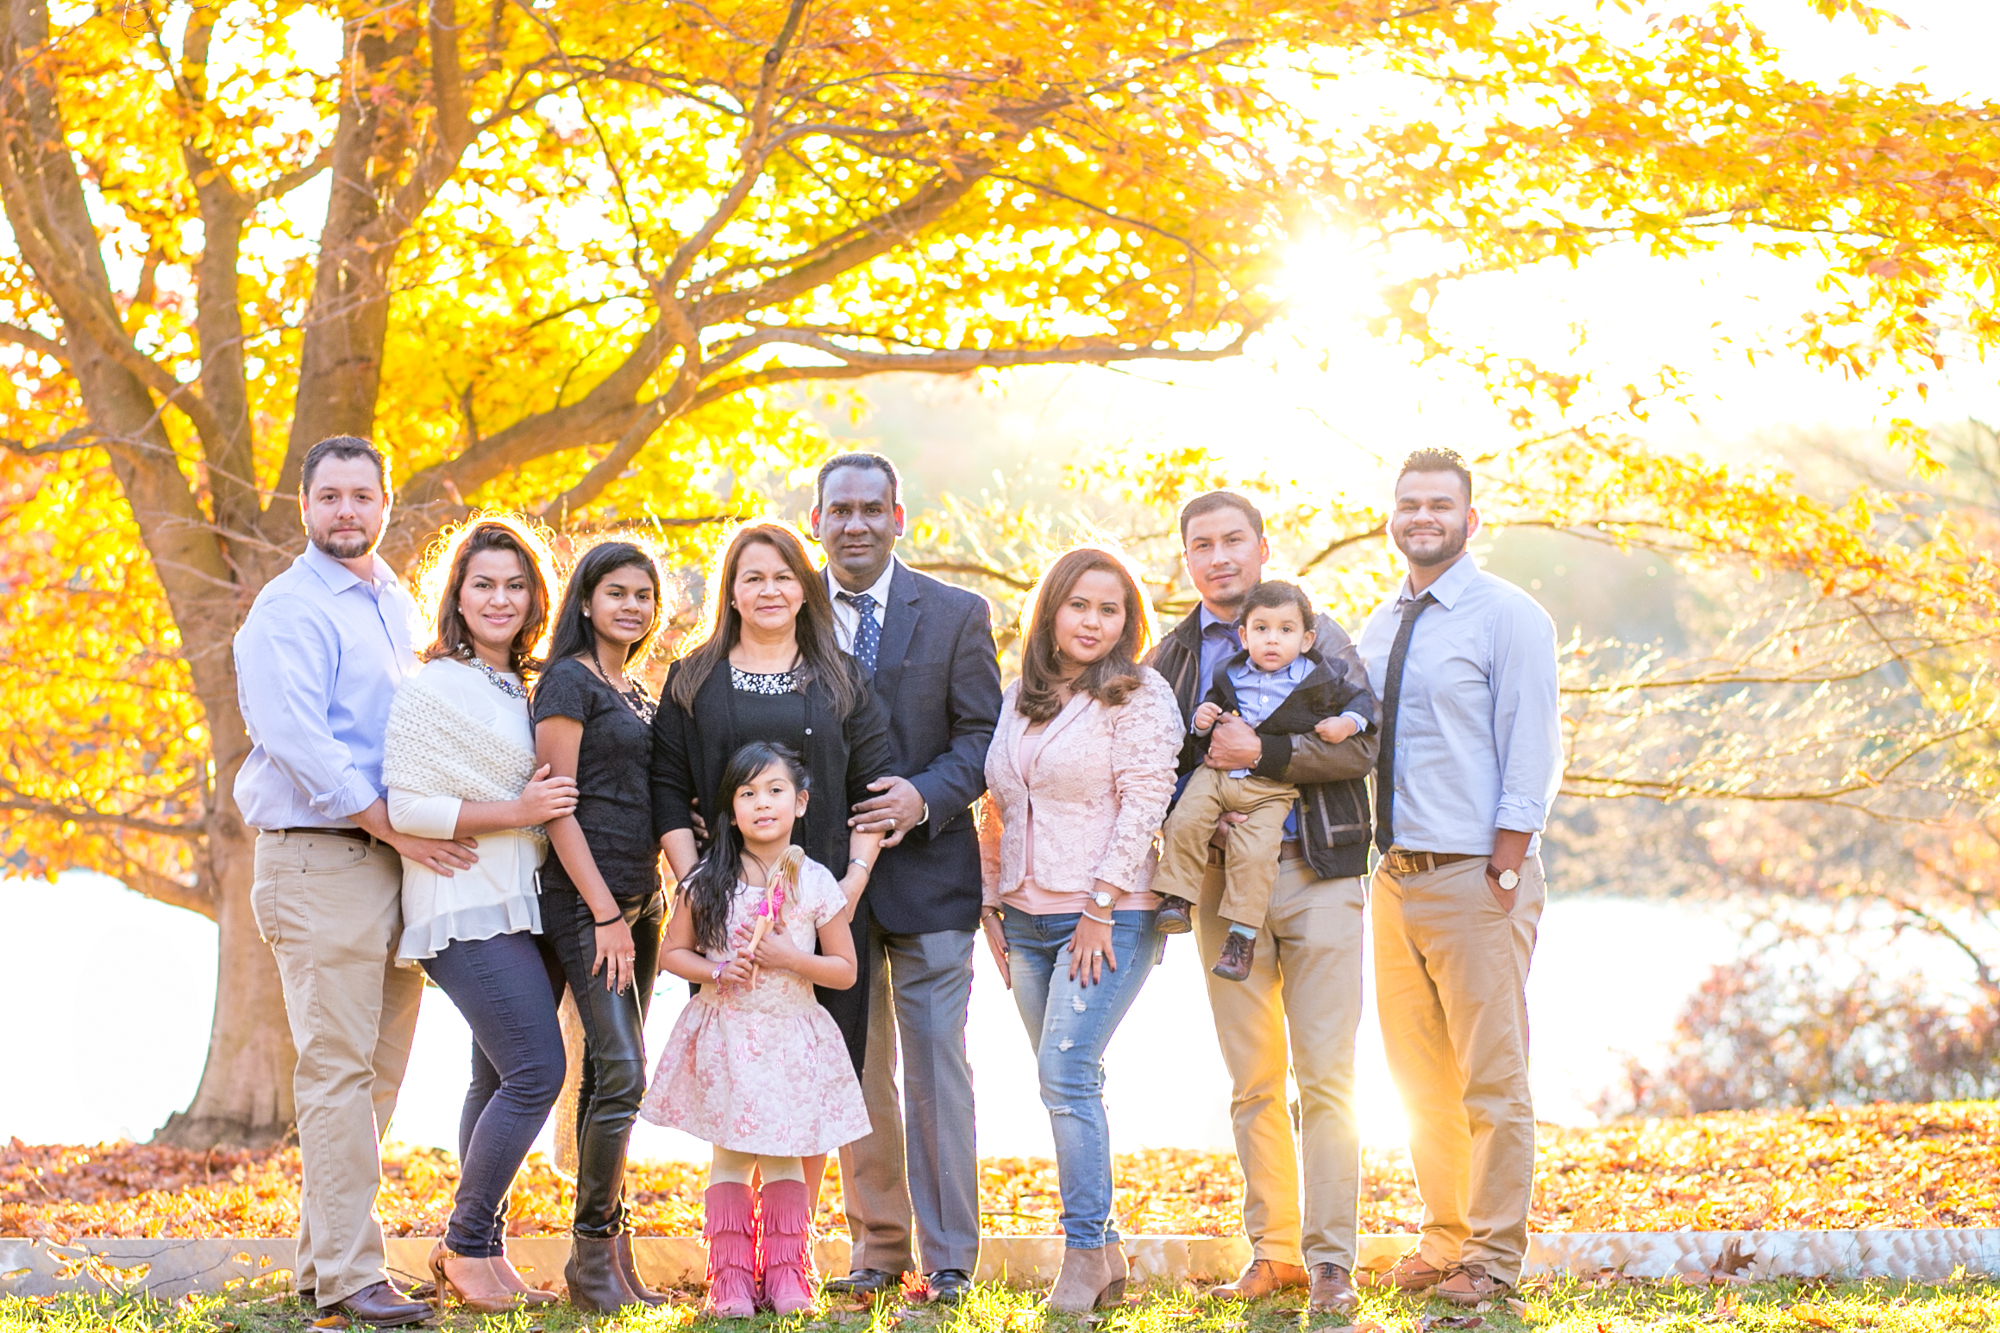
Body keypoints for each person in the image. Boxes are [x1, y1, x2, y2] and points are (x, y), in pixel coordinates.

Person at [234, 435, 474, 1328]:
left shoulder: (391, 600)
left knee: (375, 1075)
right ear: (305, 505)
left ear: (384, 504)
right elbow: (299, 739)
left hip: (388, 860)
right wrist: (385, 821)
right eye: (328, 495)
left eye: (360, 495)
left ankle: (322, 1264)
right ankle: (349, 1275)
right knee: (336, 1071)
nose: (345, 510)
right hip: (319, 854)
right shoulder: (287, 610)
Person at [1143, 491, 1379, 1317]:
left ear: (1262, 545)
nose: (1218, 556)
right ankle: (1271, 1251)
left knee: (1327, 1074)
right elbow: (1151, 767)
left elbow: (1367, 743)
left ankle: (1331, 1261)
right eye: (1200, 544)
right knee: (1252, 1080)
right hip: (1220, 886)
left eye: (1232, 540)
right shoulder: (1171, 653)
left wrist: (1267, 749)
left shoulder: (1315, 630)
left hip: (1317, 870)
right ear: (1187, 558)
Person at [1358, 449, 1562, 1307]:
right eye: (1409, 503)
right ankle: (1445, 1239)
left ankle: (1494, 1258)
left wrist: (1506, 865)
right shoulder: (1377, 623)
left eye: (1440, 503)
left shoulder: (1508, 616)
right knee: (1419, 1078)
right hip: (1393, 878)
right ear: (1392, 517)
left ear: (1471, 520)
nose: (1422, 516)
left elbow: (1534, 748)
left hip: (1478, 873)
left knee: (1491, 1076)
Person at [808, 453, 1002, 1306]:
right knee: (854, 1070)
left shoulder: (958, 614)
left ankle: (952, 1253)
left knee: (935, 1068)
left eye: (869, 508)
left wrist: (923, 795)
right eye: (838, 509)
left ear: (898, 517)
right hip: (827, 889)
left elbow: (982, 740)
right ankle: (877, 1246)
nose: (854, 523)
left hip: (930, 875)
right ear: (816, 519)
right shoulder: (788, 609)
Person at [977, 546, 1182, 1313]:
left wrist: (1099, 906)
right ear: (1050, 611)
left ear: (1128, 621)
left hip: (1108, 917)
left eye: (1111, 608)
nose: (1093, 621)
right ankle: (1109, 1251)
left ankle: (1083, 1253)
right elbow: (998, 803)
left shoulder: (1140, 694)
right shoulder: (1020, 695)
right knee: (1063, 1083)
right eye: (1079, 605)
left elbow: (1144, 804)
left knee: (1066, 1075)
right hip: (1024, 918)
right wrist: (991, 900)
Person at [383, 517, 571, 1315]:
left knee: (492, 1075)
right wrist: (515, 808)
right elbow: (408, 802)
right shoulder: (434, 685)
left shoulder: (522, 684)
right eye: (483, 583)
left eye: (514, 584)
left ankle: (485, 1255)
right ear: (456, 597)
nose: (499, 598)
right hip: (461, 904)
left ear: (535, 597)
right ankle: (462, 1241)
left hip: (518, 900)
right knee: (539, 1068)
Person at [650, 520, 894, 1067]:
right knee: (739, 1073)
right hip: (724, 905)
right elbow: (667, 786)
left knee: (823, 1070)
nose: (769, 591)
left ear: (805, 590)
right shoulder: (691, 680)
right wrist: (693, 882)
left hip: (826, 901)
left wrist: (852, 884)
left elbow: (871, 791)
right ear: (731, 593)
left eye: (784, 577)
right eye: (753, 578)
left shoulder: (843, 679)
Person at [641, 742, 871, 1318]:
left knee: (785, 1156)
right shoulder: (706, 879)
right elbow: (673, 953)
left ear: (801, 803)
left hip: (790, 1034)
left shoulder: (814, 882)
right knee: (731, 1155)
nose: (762, 804)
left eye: (775, 791)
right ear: (731, 807)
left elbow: (844, 970)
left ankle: (789, 1274)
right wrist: (717, 969)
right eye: (747, 793)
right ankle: (731, 1280)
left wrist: (790, 957)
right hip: (729, 1034)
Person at [530, 540, 670, 1311]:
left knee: (607, 1079)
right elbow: (556, 809)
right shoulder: (567, 682)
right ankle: (591, 1258)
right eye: (616, 592)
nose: (631, 606)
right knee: (622, 1070)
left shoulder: (637, 690)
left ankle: (609, 1257)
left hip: (643, 899)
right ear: (585, 600)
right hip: (590, 900)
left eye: (644, 595)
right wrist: (607, 913)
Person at [1151, 580, 1374, 983]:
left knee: (1255, 853)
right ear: (1244, 635)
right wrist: (1203, 719)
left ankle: (1241, 936)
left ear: (1307, 639)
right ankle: (1177, 898)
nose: (1273, 640)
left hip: (1272, 791)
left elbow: (1362, 709)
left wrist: (1347, 722)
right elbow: (1203, 715)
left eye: (1286, 631)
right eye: (1261, 630)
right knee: (1186, 820)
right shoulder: (1227, 669)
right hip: (1216, 777)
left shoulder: (1321, 676)